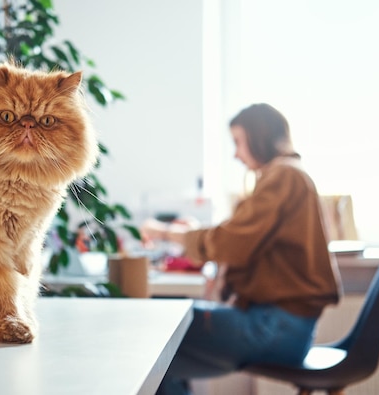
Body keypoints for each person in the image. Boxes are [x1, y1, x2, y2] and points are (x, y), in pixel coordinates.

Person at [143, 103, 342, 395]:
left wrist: (165, 233)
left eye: (238, 142)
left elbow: (231, 242)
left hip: (276, 327)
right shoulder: (286, 175)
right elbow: (242, 238)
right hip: (284, 326)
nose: (236, 154)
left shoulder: (283, 176)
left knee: (158, 337)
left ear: (258, 137)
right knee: (162, 352)